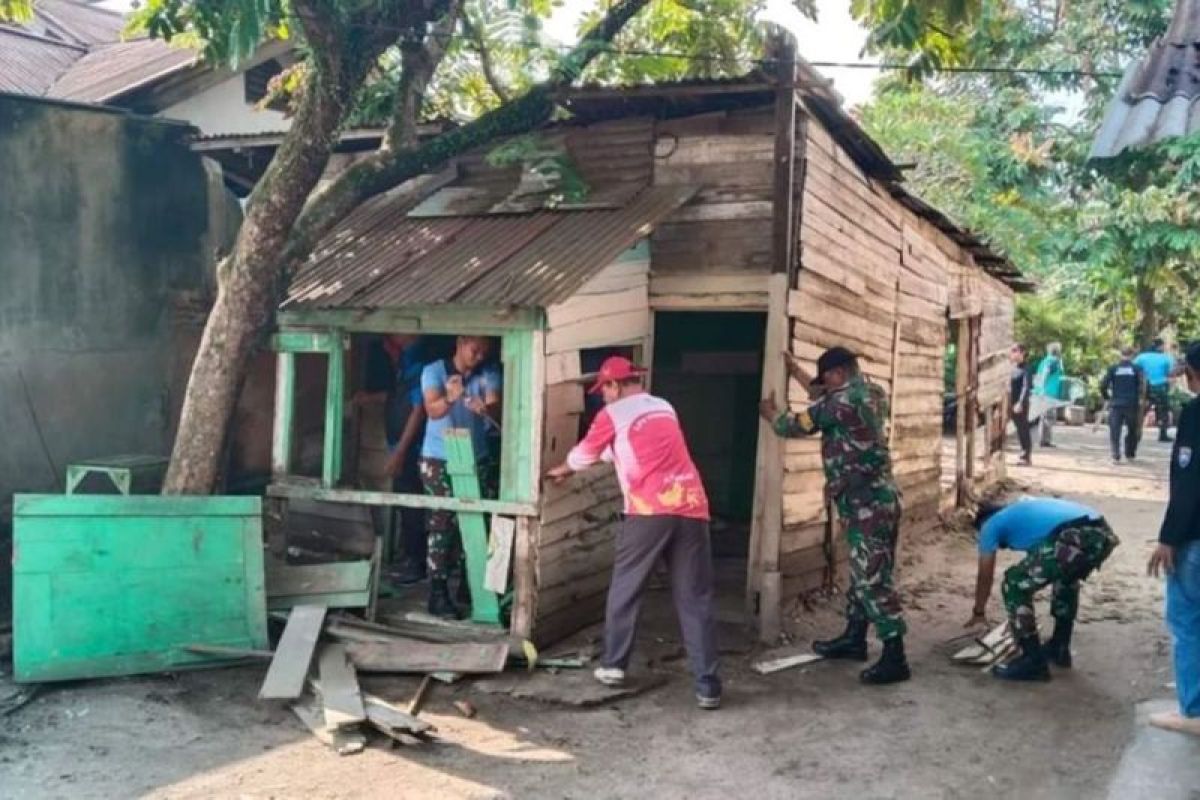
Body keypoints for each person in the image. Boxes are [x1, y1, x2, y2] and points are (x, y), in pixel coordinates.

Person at [545, 356, 721, 710]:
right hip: (692, 505)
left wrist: (563, 468)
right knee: (694, 597)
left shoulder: (612, 415)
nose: (603, 398)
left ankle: (613, 666)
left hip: (648, 510)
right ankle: (708, 686)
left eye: (604, 390)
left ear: (614, 385)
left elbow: (585, 453)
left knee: (627, 588)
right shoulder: (663, 407)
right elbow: (624, 450)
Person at [759, 346, 910, 685]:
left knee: (873, 580)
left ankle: (895, 656)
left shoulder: (839, 404)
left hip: (867, 505)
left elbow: (795, 425)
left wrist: (770, 414)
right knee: (862, 574)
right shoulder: (871, 391)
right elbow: (820, 394)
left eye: (826, 377)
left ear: (837, 374)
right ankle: (854, 639)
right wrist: (795, 370)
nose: (823, 384)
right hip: (875, 500)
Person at [967, 497, 1119, 681]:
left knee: (1014, 582)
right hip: (1101, 534)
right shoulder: (1020, 514)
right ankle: (1059, 647)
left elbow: (985, 574)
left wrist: (979, 611)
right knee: (1065, 579)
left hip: (1075, 535)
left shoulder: (991, 524)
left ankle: (1032, 660)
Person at [419, 336, 502, 618]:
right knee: (442, 523)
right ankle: (437, 592)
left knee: (481, 520)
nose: (478, 356)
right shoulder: (434, 371)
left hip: (476, 456)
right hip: (439, 457)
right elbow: (432, 410)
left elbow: (495, 407)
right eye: (474, 349)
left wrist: (486, 408)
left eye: (484, 352)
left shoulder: (487, 373)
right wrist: (452, 397)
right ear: (460, 342)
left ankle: (473, 586)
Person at [1147, 342, 1200, 736]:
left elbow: (1189, 482)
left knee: (1187, 621)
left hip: (1196, 538)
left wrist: (1168, 537)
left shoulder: (1196, 414)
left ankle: (1194, 711)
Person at [355, 334, 427, 583]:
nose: (388, 352)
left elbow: (418, 409)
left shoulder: (419, 363)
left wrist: (400, 452)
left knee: (412, 507)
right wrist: (370, 398)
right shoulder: (406, 364)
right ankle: (409, 559)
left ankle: (416, 563)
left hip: (412, 450)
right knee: (405, 505)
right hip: (403, 447)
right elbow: (398, 396)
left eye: (390, 346)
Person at [1100, 346, 1146, 464]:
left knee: (1115, 430)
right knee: (1132, 430)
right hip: (1132, 403)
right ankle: (1130, 454)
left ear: (1121, 354)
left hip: (1116, 403)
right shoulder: (1137, 369)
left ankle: (1115, 455)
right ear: (1132, 355)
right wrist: (1142, 399)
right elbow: (1143, 385)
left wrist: (1107, 397)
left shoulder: (1113, 369)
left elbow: (1103, 385)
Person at [1135, 338, 1182, 442]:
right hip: (1161, 386)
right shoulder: (1166, 358)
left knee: (1141, 410)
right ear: (1160, 346)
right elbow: (1170, 373)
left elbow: (1135, 369)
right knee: (1163, 410)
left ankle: (1135, 432)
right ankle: (1163, 434)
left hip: (1145, 387)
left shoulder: (1141, 357)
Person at [1033, 342, 1064, 447]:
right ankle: (1045, 441)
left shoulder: (1044, 361)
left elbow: (1039, 375)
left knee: (1044, 417)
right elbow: (1046, 374)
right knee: (1048, 417)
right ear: (1057, 351)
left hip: (1042, 392)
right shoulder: (1053, 362)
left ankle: (1044, 440)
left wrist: (1038, 389)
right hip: (1048, 393)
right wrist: (1042, 388)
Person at [1009, 344, 1033, 466]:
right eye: (1012, 351)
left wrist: (1020, 402)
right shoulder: (1012, 367)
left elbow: (1026, 387)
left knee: (1022, 429)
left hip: (1019, 404)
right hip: (1008, 402)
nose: (1013, 353)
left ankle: (1026, 455)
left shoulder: (1026, 369)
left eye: (1015, 351)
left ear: (1022, 353)